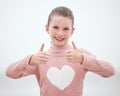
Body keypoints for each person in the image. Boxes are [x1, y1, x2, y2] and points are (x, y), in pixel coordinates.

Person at [6, 6, 115, 96]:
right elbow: (9, 72)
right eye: (56, 27)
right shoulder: (40, 59)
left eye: (66, 29)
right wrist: (30, 60)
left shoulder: (80, 56)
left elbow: (110, 71)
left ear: (72, 31)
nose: (60, 33)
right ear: (47, 28)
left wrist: (83, 59)